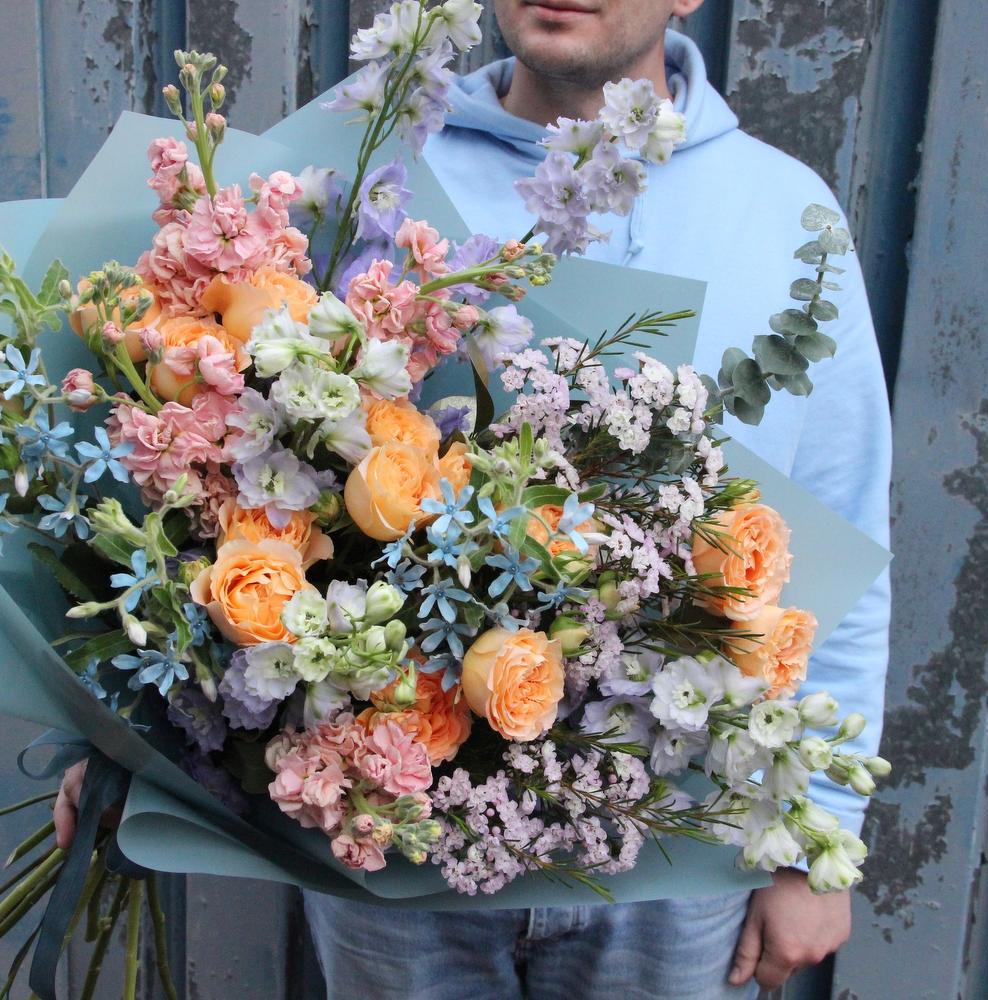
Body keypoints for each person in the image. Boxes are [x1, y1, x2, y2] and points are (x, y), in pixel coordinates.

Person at [56, 2, 891, 997]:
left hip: (672, 842)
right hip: (393, 831)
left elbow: (843, 526)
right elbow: (195, 462)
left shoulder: (784, 216)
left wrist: (817, 841)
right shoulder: (367, 156)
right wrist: (119, 740)